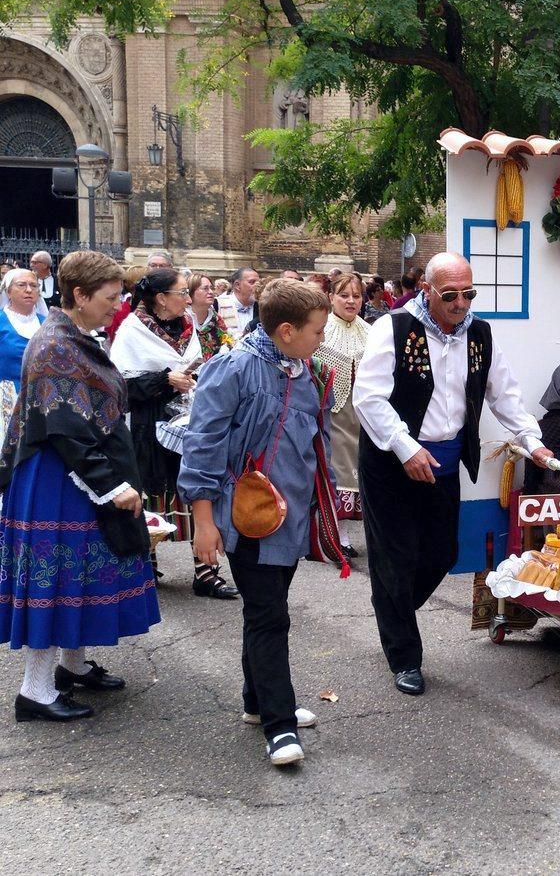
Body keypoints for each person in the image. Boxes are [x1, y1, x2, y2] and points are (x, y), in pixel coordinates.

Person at [353, 251, 553, 697]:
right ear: (427, 290)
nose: (461, 304)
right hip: (391, 461)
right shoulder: (395, 327)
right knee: (396, 558)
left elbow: (506, 395)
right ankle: (405, 656)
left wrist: (532, 440)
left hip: (442, 463)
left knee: (442, 553)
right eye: (450, 295)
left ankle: (392, 606)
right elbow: (367, 398)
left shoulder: (479, 335)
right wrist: (405, 447)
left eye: (468, 293)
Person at [179, 279, 334, 767]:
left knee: (265, 609)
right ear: (285, 330)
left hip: (287, 519)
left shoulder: (304, 371)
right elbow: (200, 446)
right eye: (316, 330)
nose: (321, 339)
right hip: (244, 517)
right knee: (270, 615)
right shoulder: (233, 369)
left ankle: (256, 702)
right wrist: (205, 523)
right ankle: (279, 725)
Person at [0, 250, 159, 723]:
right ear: (79, 295)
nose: (118, 305)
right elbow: (66, 429)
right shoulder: (54, 345)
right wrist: (111, 486)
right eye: (110, 297)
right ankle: (35, 690)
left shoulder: (70, 335)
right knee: (57, 578)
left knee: (81, 573)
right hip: (58, 476)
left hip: (68, 474)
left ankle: (70, 665)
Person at [110, 269, 240, 600]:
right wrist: (166, 379)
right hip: (148, 422)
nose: (186, 298)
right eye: (181, 293)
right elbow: (121, 387)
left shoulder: (187, 327)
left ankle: (206, 572)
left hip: (189, 418)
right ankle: (146, 566)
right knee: (152, 492)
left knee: (195, 489)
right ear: (160, 298)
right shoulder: (132, 330)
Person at [312, 272, 371, 554]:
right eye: (344, 295)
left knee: (356, 473)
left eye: (356, 296)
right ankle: (334, 536)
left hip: (361, 414)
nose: (351, 301)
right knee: (336, 471)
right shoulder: (322, 330)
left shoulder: (370, 332)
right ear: (331, 297)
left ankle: (343, 533)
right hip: (331, 412)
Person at [0, 270, 45, 444]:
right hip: (6, 400)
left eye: (33, 286)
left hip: (41, 400)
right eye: (22, 285)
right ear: (8, 291)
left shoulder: (47, 324)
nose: (29, 290)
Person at [188, 273, 234, 360]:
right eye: (205, 288)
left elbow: (228, 343)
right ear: (191, 292)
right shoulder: (182, 319)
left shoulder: (217, 320)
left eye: (211, 288)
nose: (211, 292)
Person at [218, 267, 260, 340]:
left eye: (258, 283)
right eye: (252, 282)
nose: (257, 286)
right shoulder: (220, 304)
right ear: (237, 285)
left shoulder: (262, 308)